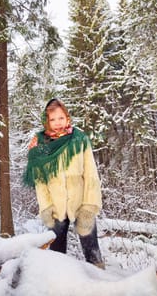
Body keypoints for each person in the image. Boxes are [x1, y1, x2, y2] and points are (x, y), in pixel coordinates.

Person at [24, 98, 104, 268]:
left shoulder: (79, 139)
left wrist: (89, 205)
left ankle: (101, 282)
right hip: (56, 207)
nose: (57, 123)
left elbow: (91, 174)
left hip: (81, 203)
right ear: (47, 121)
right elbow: (40, 181)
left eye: (60, 118)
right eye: (52, 119)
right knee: (57, 259)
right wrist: (46, 207)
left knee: (93, 254)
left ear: (67, 117)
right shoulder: (41, 145)